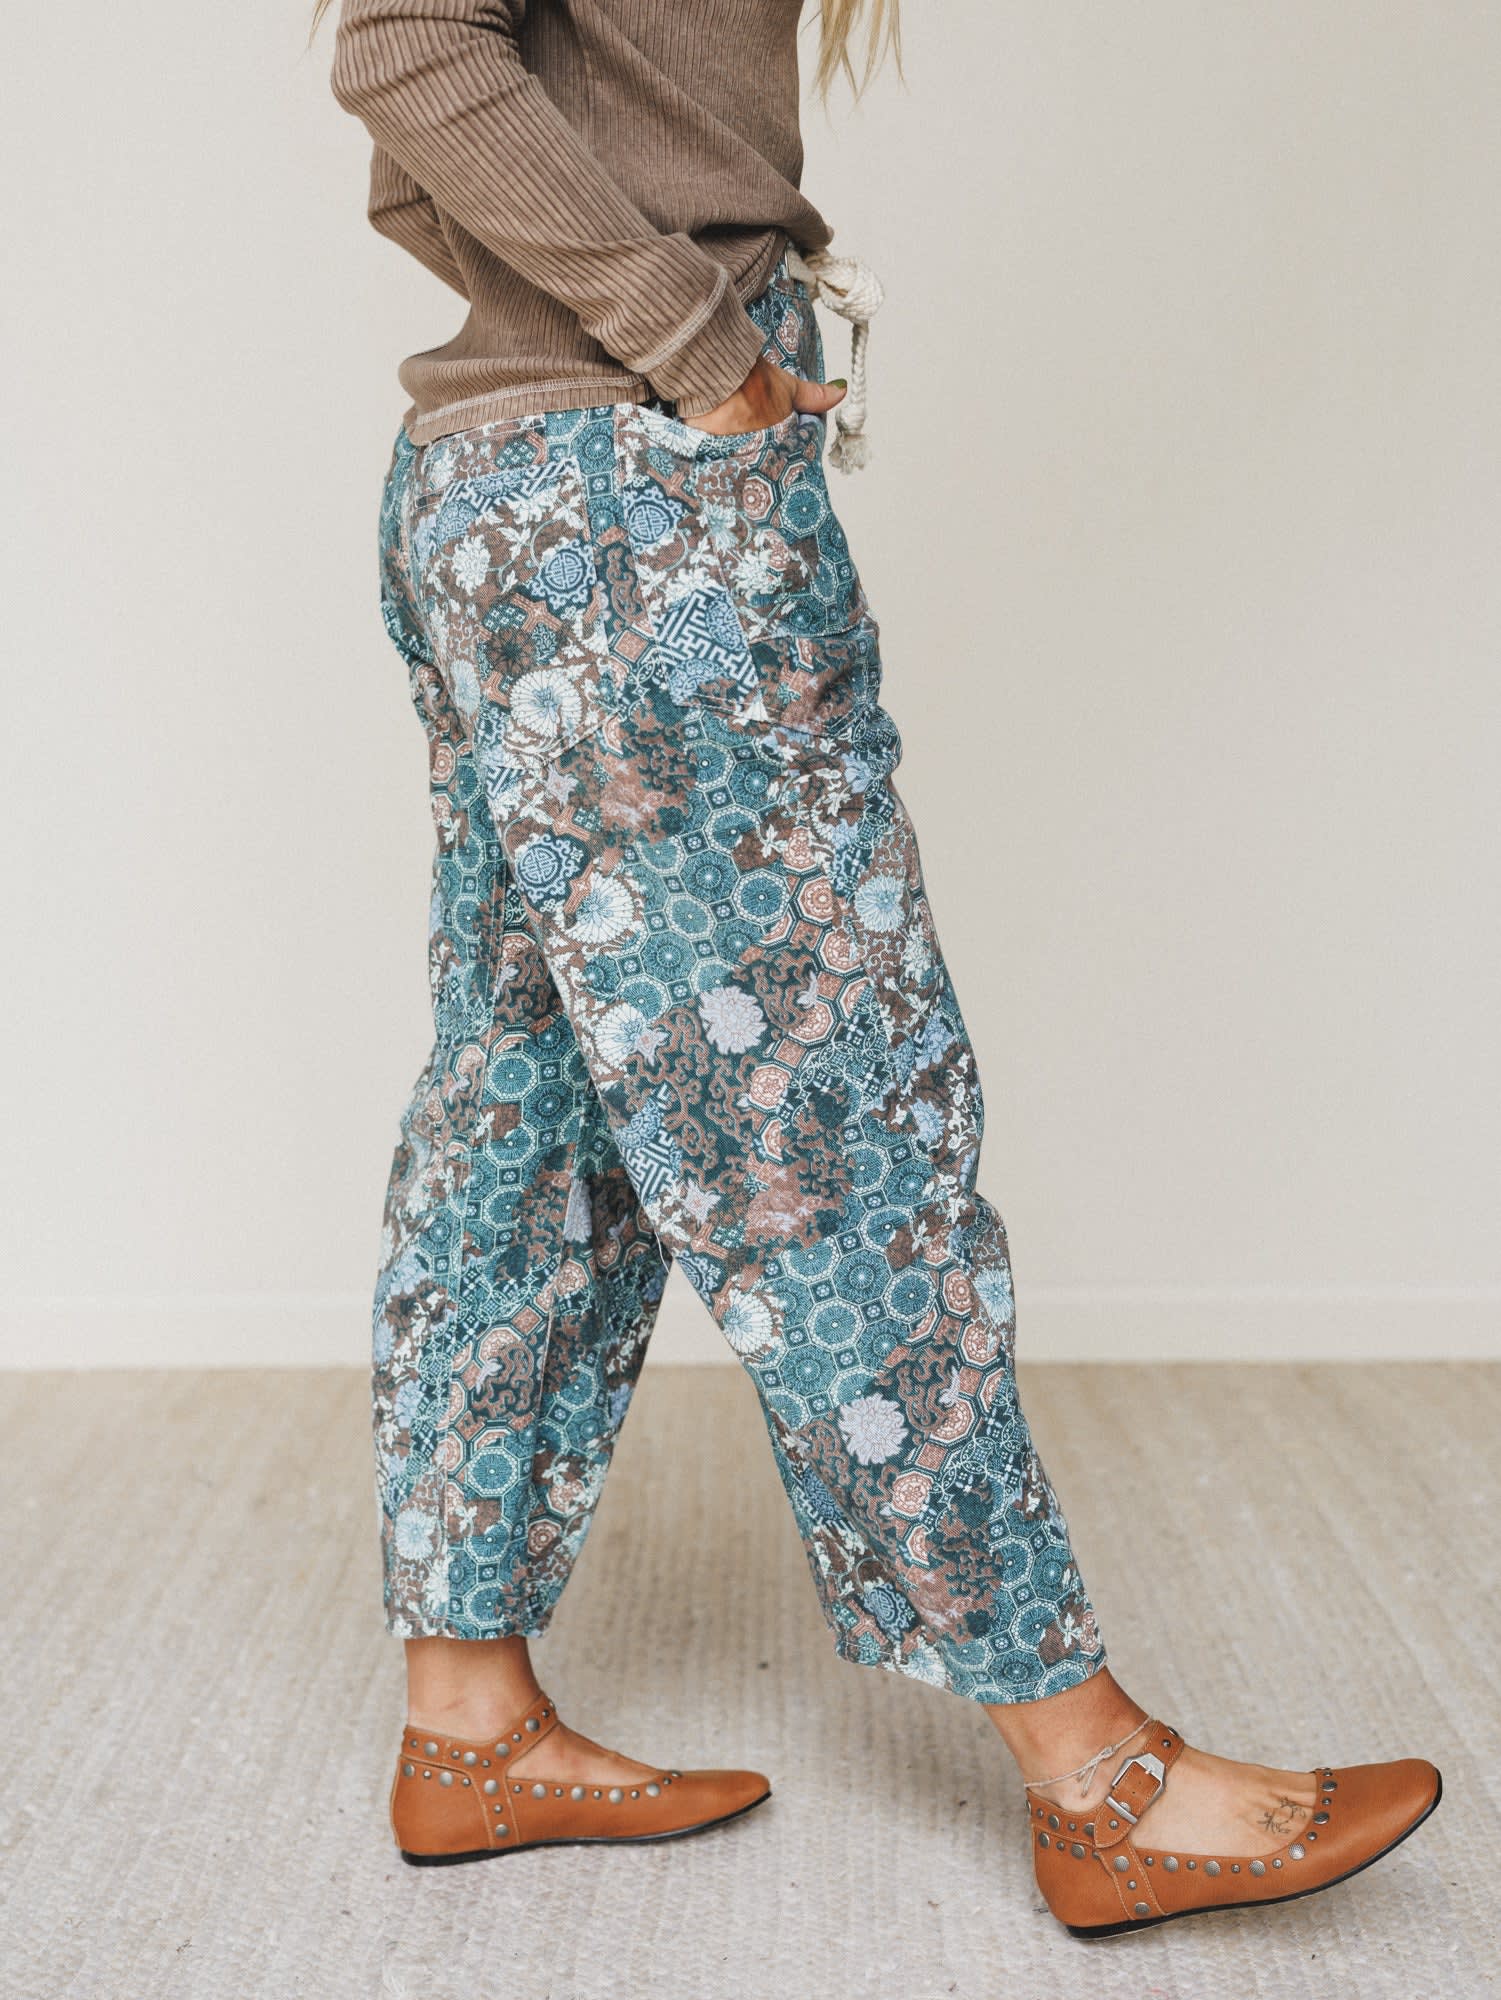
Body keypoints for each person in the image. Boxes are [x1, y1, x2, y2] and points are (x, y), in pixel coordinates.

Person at [322, 0, 1439, 1934]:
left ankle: (469, 1722)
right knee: (826, 1116)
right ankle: (1094, 1774)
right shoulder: (655, 403)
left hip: (527, 499)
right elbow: (409, 46)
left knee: (536, 1122)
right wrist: (697, 349)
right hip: (631, 511)